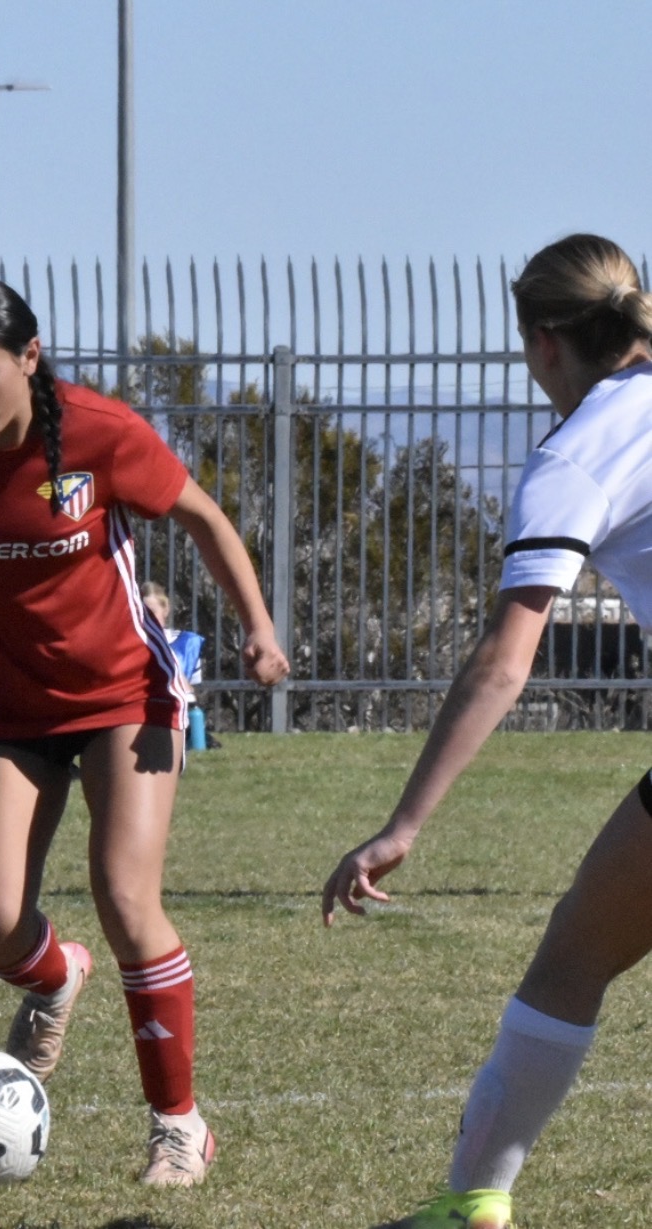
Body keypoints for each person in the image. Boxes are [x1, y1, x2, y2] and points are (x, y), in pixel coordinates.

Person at [0, 277, 290, 1186]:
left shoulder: (97, 431)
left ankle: (179, 1127)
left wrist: (259, 627)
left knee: (124, 896)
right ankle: (54, 978)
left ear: (29, 356)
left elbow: (203, 517)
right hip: (8, 701)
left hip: (124, 693)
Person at [321, 234, 652, 1229]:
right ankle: (469, 1201)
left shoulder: (581, 451)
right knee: (577, 946)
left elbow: (506, 662)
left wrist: (402, 824)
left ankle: (473, 1198)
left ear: (544, 342)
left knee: (569, 966)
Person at [140, 580, 214, 749]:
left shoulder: (187, 643)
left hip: (177, 708)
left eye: (152, 612)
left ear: (165, 610)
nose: (147, 618)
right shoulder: (131, 643)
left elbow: (192, 688)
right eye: (142, 613)